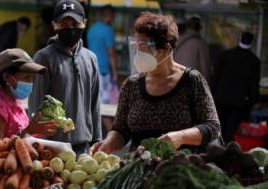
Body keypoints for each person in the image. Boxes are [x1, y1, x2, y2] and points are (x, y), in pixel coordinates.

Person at [90, 12, 220, 155]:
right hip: (137, 170)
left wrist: (181, 137)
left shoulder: (192, 80)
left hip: (181, 169)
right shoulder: (131, 84)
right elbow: (121, 129)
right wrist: (109, 142)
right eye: (136, 45)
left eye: (145, 46)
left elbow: (212, 127)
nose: (138, 51)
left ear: (167, 48)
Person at [28, 0, 102, 154]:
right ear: (54, 25)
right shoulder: (44, 58)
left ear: (85, 23)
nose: (70, 29)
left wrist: (97, 140)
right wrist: (37, 142)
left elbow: (95, 103)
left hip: (83, 146)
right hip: (51, 146)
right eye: (64, 24)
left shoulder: (91, 59)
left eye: (75, 24)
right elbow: (36, 103)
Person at [0, 48, 57, 138]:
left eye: (32, 78)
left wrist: (36, 131)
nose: (31, 82)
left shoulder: (14, 99)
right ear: (7, 77)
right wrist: (29, 130)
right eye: (26, 77)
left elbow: (20, 134)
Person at [212, 32, 260, 143]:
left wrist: (212, 92)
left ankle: (214, 149)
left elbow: (216, 76)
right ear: (252, 43)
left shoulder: (225, 55)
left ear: (239, 39)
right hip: (239, 100)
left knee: (218, 124)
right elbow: (254, 83)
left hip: (220, 96)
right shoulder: (254, 60)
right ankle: (226, 149)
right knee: (230, 128)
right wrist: (254, 100)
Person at [87, 4, 118, 104]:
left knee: (94, 102)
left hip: (91, 69)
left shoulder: (91, 29)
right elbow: (111, 54)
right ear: (110, 15)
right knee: (105, 104)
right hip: (104, 72)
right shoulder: (108, 30)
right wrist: (115, 73)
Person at [174, 16, 210, 84]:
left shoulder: (177, 41)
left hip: (176, 79)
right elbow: (205, 68)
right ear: (200, 28)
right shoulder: (200, 43)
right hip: (192, 82)